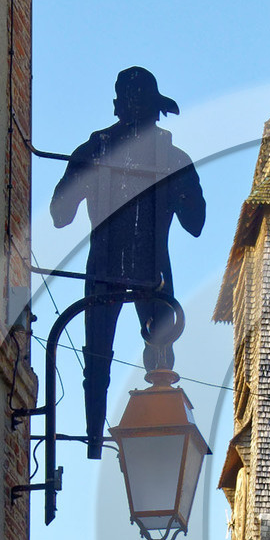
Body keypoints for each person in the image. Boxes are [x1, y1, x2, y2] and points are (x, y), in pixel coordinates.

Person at [50, 68, 206, 454]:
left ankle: (97, 440)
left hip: (108, 272)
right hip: (151, 276)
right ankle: (152, 436)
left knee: (102, 360)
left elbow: (59, 213)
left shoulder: (98, 150)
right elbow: (196, 223)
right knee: (151, 357)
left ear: (121, 105)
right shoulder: (171, 157)